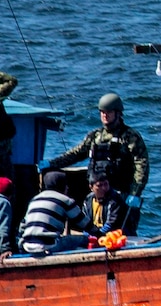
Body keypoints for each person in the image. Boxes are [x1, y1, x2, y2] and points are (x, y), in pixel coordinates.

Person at [49, 93, 150, 236]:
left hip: (122, 194)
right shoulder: (95, 136)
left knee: (125, 231)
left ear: (118, 113)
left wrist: (136, 191)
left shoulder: (130, 136)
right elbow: (75, 154)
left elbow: (142, 164)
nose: (105, 115)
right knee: (96, 229)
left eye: (108, 112)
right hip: (99, 192)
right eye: (102, 112)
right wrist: (51, 164)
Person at [20, 170, 86, 253]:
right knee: (84, 239)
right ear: (61, 185)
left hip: (27, 245)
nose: (67, 188)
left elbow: (22, 226)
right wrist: (99, 234)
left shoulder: (34, 199)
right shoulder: (65, 200)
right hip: (49, 245)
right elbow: (83, 222)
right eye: (65, 185)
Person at [81, 165, 126, 238]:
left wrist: (98, 235)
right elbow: (85, 221)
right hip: (94, 234)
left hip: (110, 235)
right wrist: (87, 235)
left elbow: (111, 224)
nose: (104, 188)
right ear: (91, 187)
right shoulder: (88, 200)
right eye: (99, 185)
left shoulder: (115, 199)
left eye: (106, 184)